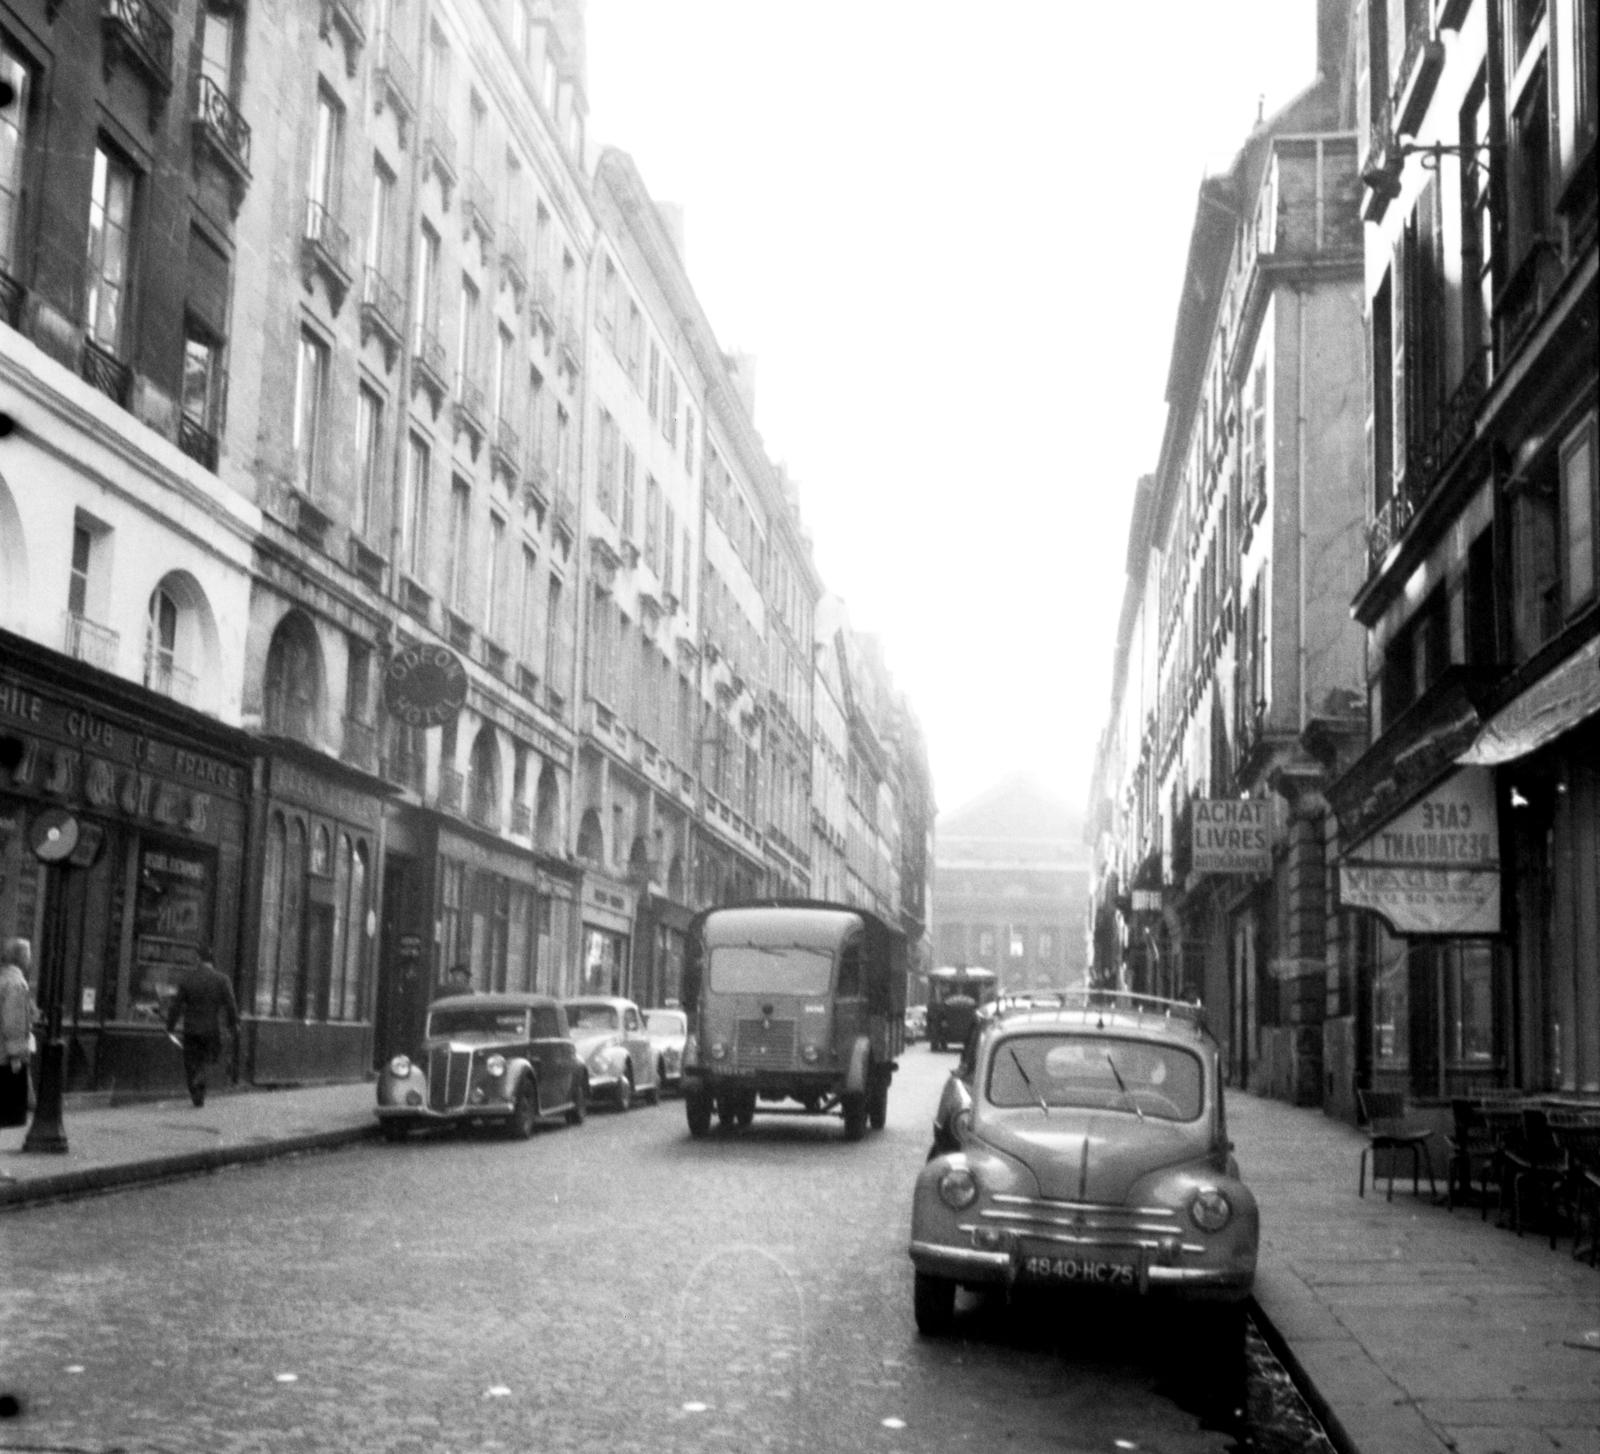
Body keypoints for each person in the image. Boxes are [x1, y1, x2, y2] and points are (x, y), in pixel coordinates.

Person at [165, 946, 239, 1108]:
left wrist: (170, 1026)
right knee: (206, 1059)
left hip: (191, 1029)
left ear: (198, 959)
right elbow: (230, 1005)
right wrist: (233, 1024)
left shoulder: (188, 979)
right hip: (211, 1029)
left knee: (192, 1062)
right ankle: (200, 1080)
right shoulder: (222, 979)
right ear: (212, 962)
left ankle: (197, 1093)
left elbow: (176, 1006)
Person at [0, 937, 37, 1132]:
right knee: (10, 1118)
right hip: (7, 1057)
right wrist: (16, 1056)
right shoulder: (16, 983)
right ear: (21, 958)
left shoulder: (3, 978)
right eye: (28, 954)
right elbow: (13, 1022)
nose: (30, 958)